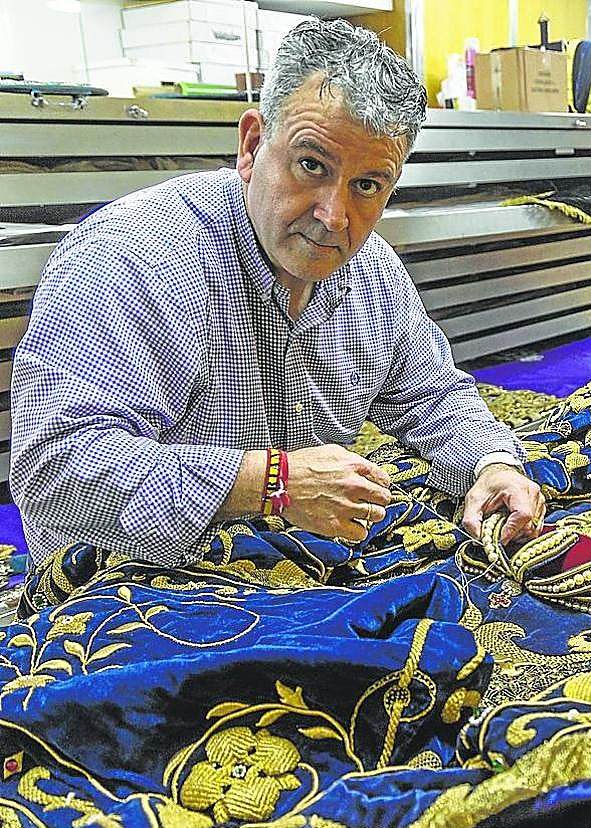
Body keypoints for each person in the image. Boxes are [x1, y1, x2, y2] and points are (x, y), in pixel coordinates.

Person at [10, 19, 545, 572]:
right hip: (117, 597)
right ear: (250, 145)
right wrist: (267, 483)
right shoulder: (132, 259)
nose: (333, 216)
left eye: (368, 185)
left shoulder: (372, 273)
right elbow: (53, 469)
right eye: (311, 165)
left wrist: (491, 465)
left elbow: (433, 397)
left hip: (292, 576)